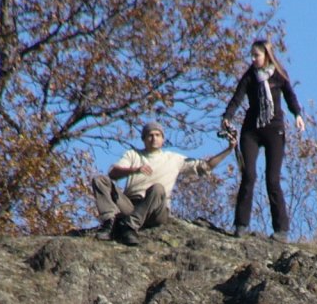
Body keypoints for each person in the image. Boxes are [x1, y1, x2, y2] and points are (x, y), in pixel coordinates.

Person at [91, 122, 236, 246]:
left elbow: (205, 167)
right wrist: (135, 170)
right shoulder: (133, 155)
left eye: (157, 135)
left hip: (156, 210)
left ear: (163, 139)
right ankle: (109, 222)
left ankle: (128, 226)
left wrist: (229, 150)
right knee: (100, 180)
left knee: (158, 188)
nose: (154, 138)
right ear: (143, 139)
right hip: (131, 205)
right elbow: (113, 174)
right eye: (150, 135)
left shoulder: (174, 158)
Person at [221, 38, 305, 242]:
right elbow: (237, 97)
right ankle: (241, 225)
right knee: (248, 175)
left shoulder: (279, 75)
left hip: (274, 130)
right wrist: (227, 117)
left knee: (272, 179)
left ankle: (281, 230)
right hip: (251, 130)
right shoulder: (250, 76)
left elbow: (290, 96)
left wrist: (298, 115)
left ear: (266, 55)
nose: (253, 59)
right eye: (251, 55)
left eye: (256, 55)